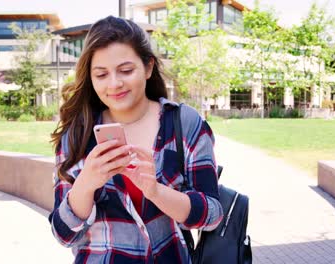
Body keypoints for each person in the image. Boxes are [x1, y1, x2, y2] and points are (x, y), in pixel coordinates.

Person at [49, 16, 223, 263]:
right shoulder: (77, 134)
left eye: (126, 70)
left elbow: (213, 215)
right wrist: (85, 184)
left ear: (148, 67)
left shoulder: (184, 123)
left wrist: (156, 191)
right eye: (101, 74)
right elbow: (63, 235)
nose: (114, 83)